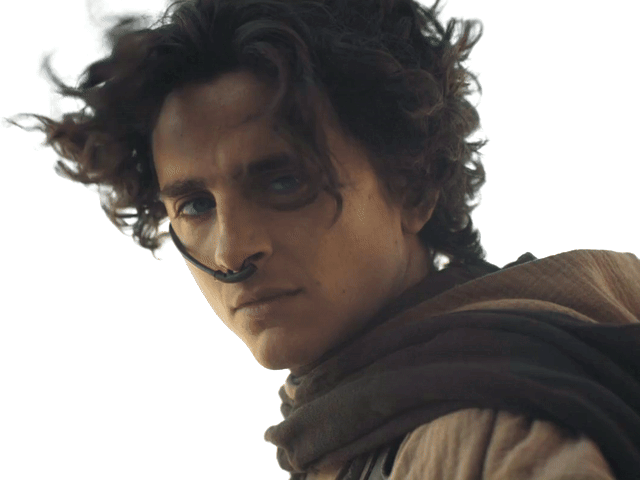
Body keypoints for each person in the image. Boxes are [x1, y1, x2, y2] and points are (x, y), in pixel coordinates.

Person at [6, 0, 640, 478]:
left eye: (283, 181)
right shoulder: (358, 426)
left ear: (413, 187)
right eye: (195, 205)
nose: (231, 251)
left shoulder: (489, 435)